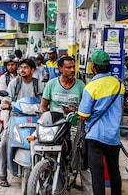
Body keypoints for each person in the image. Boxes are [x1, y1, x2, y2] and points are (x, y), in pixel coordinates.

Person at [39, 55, 93, 194]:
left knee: (80, 155)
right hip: (55, 126)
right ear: (60, 69)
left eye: (73, 67)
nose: (71, 70)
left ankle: (89, 191)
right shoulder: (51, 84)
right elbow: (43, 107)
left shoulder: (81, 86)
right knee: (40, 147)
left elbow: (86, 109)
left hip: (75, 124)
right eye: (68, 67)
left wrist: (75, 110)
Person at [78, 50, 125, 195]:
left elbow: (83, 115)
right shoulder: (119, 84)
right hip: (113, 137)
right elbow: (120, 107)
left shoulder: (91, 87)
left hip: (95, 136)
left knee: (97, 174)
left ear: (93, 66)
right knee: (114, 172)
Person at [0, 59, 40, 187]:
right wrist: (5, 103)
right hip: (16, 117)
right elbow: (7, 98)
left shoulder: (39, 84)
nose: (22, 70)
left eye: (26, 67)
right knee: (4, 143)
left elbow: (45, 100)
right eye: (21, 67)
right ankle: (2, 175)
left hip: (36, 118)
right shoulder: (14, 83)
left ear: (33, 70)